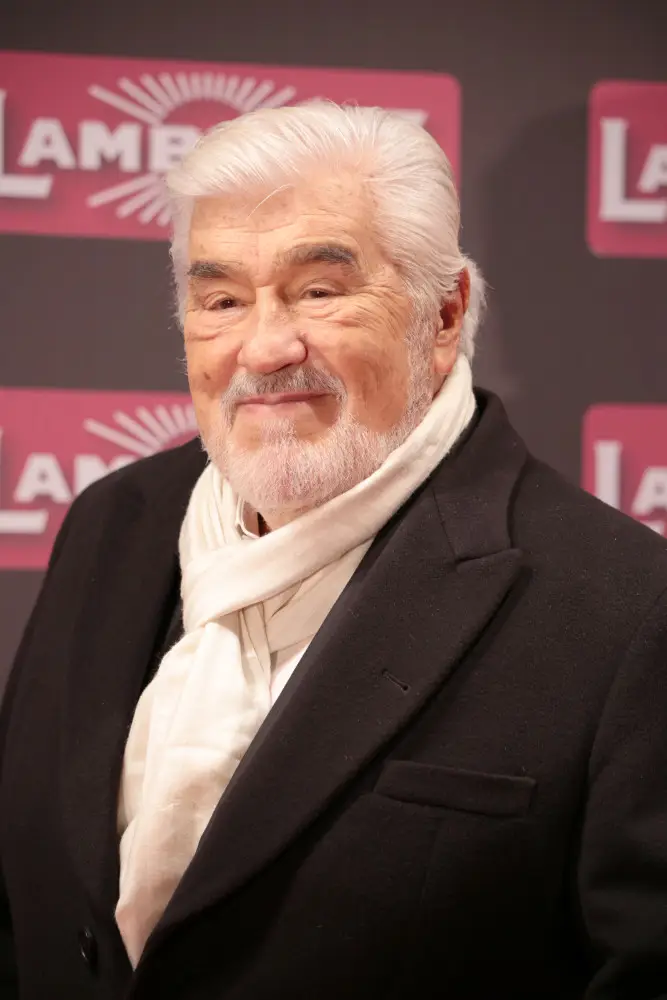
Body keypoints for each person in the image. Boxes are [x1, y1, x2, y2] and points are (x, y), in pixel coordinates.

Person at [1, 101, 667, 1000]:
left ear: (442, 315)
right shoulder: (111, 524)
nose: (265, 348)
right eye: (222, 300)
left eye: (318, 291)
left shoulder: (626, 609)